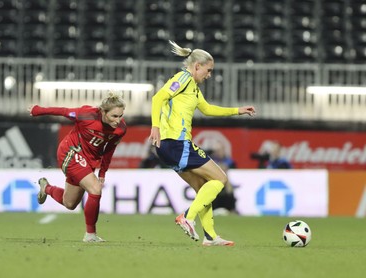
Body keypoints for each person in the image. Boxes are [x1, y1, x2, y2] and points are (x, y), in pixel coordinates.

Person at [149, 40, 256, 246]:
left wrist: (237, 110)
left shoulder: (194, 89)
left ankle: (210, 237)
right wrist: (155, 126)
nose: (209, 75)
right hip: (176, 143)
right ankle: (187, 217)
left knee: (204, 188)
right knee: (221, 178)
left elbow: (207, 109)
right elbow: (158, 98)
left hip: (168, 148)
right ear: (197, 66)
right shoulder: (183, 78)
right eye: (208, 70)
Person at [28, 92, 126, 242]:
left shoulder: (120, 129)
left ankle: (46, 188)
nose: (118, 120)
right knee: (95, 189)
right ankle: (90, 235)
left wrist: (102, 172)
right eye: (114, 116)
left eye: (120, 116)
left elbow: (109, 150)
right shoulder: (87, 115)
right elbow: (63, 111)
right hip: (70, 152)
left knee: (70, 203)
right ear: (103, 112)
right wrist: (38, 110)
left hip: (88, 161)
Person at [208, 142, 239, 215]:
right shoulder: (210, 160)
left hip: (225, 190)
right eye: (217, 150)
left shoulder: (229, 161)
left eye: (220, 150)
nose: (219, 152)